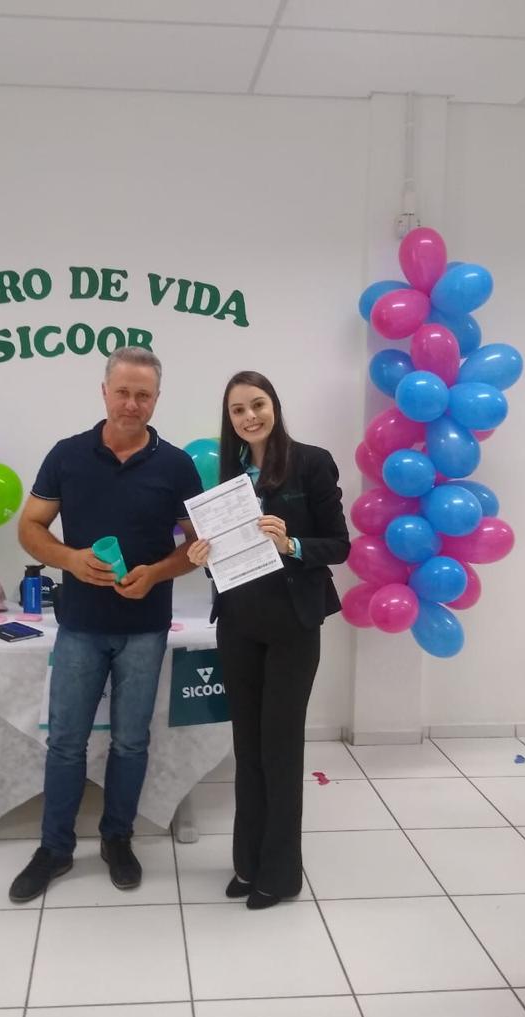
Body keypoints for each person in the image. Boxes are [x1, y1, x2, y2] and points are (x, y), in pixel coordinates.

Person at [9, 347, 202, 902]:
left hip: (146, 625)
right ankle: (54, 848)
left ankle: (118, 839)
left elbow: (198, 546)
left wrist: (158, 572)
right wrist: (69, 559)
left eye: (143, 395)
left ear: (156, 400)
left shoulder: (177, 465)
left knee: (131, 742)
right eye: (123, 392)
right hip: (81, 624)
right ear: (104, 392)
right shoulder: (67, 455)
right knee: (66, 742)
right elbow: (30, 527)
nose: (131, 404)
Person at [187, 370, 349, 909]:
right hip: (239, 622)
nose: (249, 416)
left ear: (273, 405)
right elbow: (226, 557)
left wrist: (293, 543)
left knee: (280, 747)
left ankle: (281, 873)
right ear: (229, 419)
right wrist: (204, 558)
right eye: (238, 410)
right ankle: (248, 862)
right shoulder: (225, 479)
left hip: (292, 624)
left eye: (257, 404)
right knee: (248, 748)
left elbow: (339, 545)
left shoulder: (312, 462)